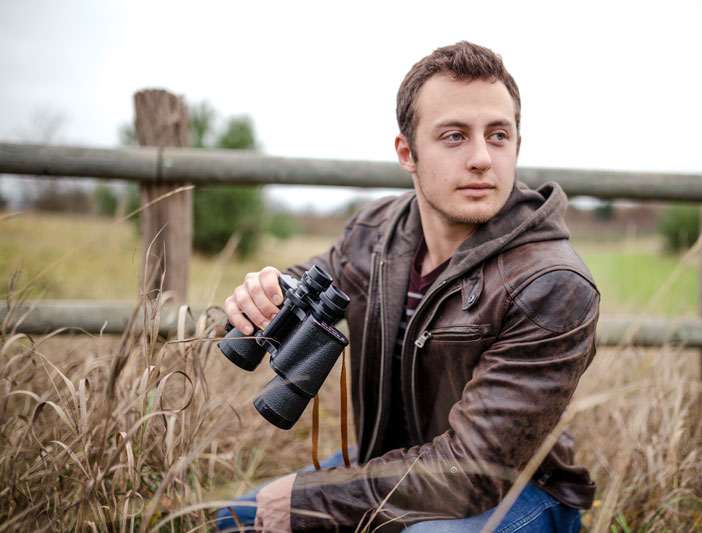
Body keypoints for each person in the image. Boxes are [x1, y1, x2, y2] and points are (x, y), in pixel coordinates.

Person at [216, 41, 599, 532]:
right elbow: (309, 280)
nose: (483, 158)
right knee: (235, 522)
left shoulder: (552, 284)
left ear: (517, 147)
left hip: (513, 489)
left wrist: (319, 501)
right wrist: (263, 293)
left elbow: (472, 472)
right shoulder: (376, 232)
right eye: (455, 136)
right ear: (407, 152)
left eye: (498, 135)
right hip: (393, 457)